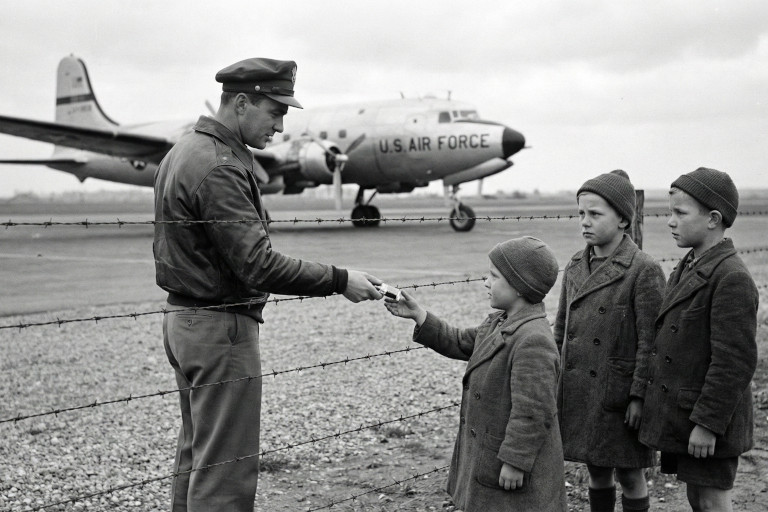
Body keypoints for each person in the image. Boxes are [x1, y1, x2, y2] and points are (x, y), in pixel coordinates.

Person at [153, 57, 382, 512]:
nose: (280, 126)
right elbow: (257, 265)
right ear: (242, 102)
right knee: (227, 472)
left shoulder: (184, 151)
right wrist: (340, 280)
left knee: (198, 454)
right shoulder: (220, 165)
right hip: (221, 329)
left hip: (184, 320)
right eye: (275, 112)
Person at [383, 236, 567, 512]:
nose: (485, 281)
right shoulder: (499, 322)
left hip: (513, 466)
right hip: (491, 457)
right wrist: (419, 315)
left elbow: (533, 411)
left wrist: (516, 461)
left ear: (519, 286)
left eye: (493, 276)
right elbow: (459, 341)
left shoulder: (533, 340)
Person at [639, 167, 758, 512]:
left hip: (709, 420)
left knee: (711, 500)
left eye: (679, 213)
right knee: (696, 496)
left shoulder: (731, 277)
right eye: (669, 212)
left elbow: (734, 362)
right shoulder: (690, 264)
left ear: (713, 219)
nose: (670, 221)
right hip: (686, 413)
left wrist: (707, 424)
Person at [554, 170, 665, 512]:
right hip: (581, 393)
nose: (584, 222)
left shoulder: (643, 269)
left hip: (618, 396)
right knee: (596, 471)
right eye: (580, 214)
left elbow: (652, 343)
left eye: (595, 214)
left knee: (632, 476)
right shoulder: (575, 265)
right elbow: (561, 330)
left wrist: (638, 397)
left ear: (622, 220)